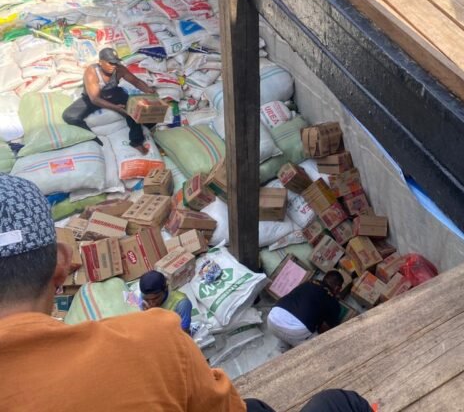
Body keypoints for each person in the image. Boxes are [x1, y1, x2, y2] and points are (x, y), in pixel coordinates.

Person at [0, 174, 371, 412]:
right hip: (222, 350)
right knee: (343, 403)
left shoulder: (165, 317)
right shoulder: (149, 339)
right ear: (63, 263)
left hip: (265, 325)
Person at [62, 47, 157, 154]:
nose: (114, 66)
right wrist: (116, 108)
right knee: (69, 116)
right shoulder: (92, 71)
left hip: (114, 93)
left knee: (134, 109)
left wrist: (148, 90)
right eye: (110, 63)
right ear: (100, 62)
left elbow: (136, 81)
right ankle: (92, 138)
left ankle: (137, 142)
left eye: (116, 63)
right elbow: (94, 99)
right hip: (92, 98)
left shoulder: (119, 69)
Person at [267, 271, 344, 347]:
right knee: (320, 344)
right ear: (337, 288)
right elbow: (327, 329)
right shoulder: (333, 303)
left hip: (272, 318)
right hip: (294, 331)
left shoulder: (307, 283)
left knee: (289, 329)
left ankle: (283, 345)